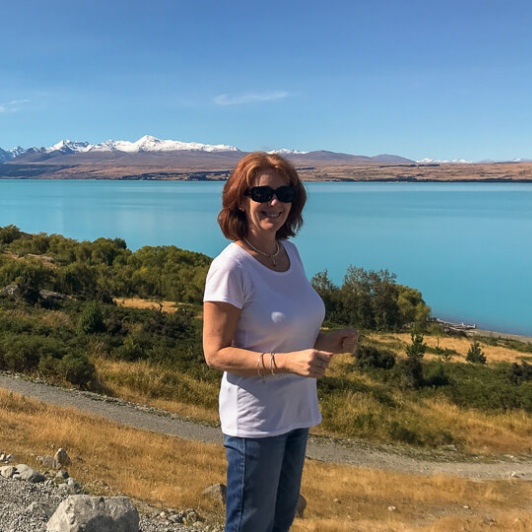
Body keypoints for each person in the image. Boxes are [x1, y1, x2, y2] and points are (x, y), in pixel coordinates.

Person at [202, 152, 358, 531]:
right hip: (255, 423)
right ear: (241, 199)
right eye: (263, 193)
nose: (275, 203)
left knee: (280, 522)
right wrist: (286, 363)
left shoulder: (289, 252)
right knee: (250, 525)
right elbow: (215, 352)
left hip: (296, 413)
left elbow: (289, 333)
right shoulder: (231, 267)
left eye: (285, 193)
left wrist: (326, 341)